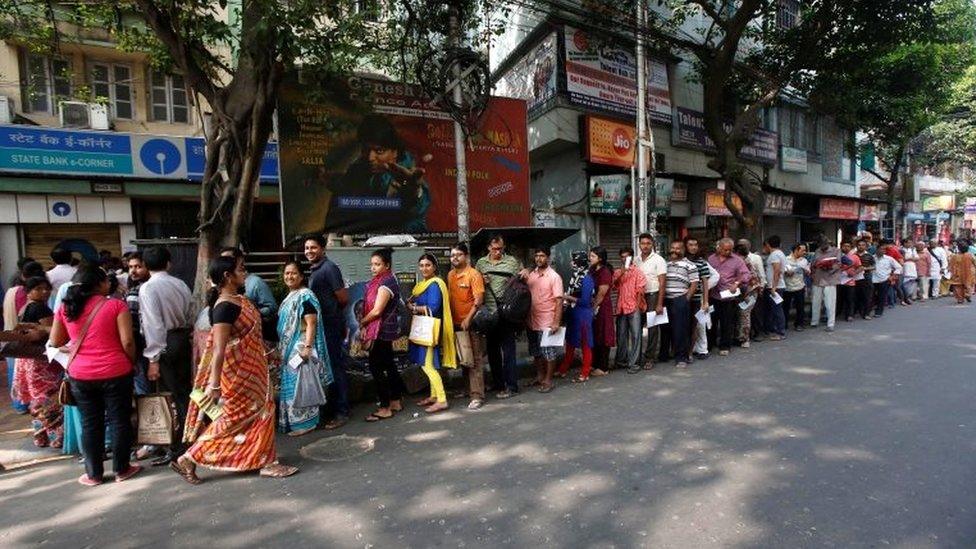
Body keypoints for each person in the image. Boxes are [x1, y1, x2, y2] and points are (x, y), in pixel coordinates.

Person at [172, 256, 297, 484]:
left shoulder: (240, 300)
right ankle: (190, 456)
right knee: (234, 418)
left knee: (262, 412)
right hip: (238, 374)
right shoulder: (224, 307)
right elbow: (218, 349)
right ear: (227, 276)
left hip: (254, 368)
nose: (245, 273)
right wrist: (215, 384)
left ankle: (265, 460)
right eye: (241, 270)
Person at [49, 266, 141, 486]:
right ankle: (122, 469)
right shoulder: (116, 305)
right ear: (100, 284)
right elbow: (127, 341)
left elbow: (55, 341)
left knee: (90, 423)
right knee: (120, 420)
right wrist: (130, 363)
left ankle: (94, 474)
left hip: (80, 374)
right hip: (116, 370)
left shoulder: (66, 307)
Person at [324, 113, 431, 233]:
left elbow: (418, 206)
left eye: (379, 151)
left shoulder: (407, 174)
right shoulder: (357, 169)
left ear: (395, 152)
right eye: (366, 149)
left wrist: (414, 192)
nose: (370, 157)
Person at [139, 246, 193, 466]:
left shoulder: (148, 288)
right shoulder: (180, 284)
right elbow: (190, 311)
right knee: (183, 393)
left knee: (167, 395)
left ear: (145, 266)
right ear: (168, 263)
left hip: (164, 344)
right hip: (181, 339)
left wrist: (153, 359)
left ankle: (176, 445)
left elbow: (154, 325)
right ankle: (185, 440)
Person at [276, 261, 333, 436]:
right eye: (287, 273)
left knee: (301, 384)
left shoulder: (305, 296)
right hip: (289, 348)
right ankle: (295, 422)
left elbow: (311, 322)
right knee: (291, 385)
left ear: (301, 276)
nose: (289, 276)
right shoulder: (289, 297)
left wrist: (307, 347)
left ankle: (306, 423)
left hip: (300, 346)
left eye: (293, 273)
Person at [304, 235, 350, 430]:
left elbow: (343, 298)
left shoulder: (329, 268)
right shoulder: (315, 270)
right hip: (321, 326)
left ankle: (342, 411)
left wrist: (331, 313)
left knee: (335, 367)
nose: (309, 251)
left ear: (322, 249)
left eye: (313, 247)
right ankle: (331, 408)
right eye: (306, 248)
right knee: (327, 368)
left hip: (331, 325)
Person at [14, 277, 62, 447]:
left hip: (28, 360)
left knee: (37, 398)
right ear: (28, 291)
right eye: (39, 289)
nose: (45, 292)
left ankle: (40, 436)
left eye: (46, 288)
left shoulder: (24, 307)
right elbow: (51, 333)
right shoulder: (40, 308)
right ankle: (55, 437)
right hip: (42, 360)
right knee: (49, 397)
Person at [359, 248, 405, 422]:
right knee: (389, 364)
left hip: (380, 331)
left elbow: (377, 310)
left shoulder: (385, 283)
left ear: (387, 265)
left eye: (377, 264)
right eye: (372, 264)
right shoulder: (385, 280)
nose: (373, 268)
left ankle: (385, 407)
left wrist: (363, 322)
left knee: (376, 367)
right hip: (385, 330)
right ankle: (395, 401)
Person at [475, 235, 523, 399]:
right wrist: (482, 280)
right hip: (489, 313)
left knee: (508, 350)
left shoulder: (512, 262)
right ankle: (498, 383)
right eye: (495, 248)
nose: (498, 252)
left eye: (501, 248)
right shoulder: (481, 263)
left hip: (506, 312)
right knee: (492, 351)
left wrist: (525, 273)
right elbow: (475, 284)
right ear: (489, 247)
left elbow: (521, 281)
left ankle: (512, 386)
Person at [408, 253, 456, 413]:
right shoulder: (423, 284)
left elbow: (433, 308)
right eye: (421, 265)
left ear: (434, 267)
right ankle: (434, 396)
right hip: (424, 328)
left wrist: (414, 308)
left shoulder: (435, 284)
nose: (424, 268)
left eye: (427, 265)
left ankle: (442, 399)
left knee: (428, 366)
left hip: (429, 329)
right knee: (426, 363)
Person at [447, 242, 486, 409]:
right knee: (464, 358)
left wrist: (468, 319)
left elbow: (479, 300)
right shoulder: (450, 275)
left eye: (458, 255)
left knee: (475, 360)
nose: (455, 258)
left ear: (466, 256)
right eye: (452, 255)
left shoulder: (473, 274)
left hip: (471, 323)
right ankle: (467, 390)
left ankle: (477, 396)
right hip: (456, 324)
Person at [4, 260, 45, 414]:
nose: (44, 292)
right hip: (24, 341)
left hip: (14, 337)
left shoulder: (10, 290)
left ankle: (20, 404)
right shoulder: (27, 296)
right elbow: (29, 319)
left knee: (15, 374)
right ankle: (24, 404)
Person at [524, 247, 564, 391]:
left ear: (548, 257)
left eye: (542, 256)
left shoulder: (554, 277)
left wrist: (556, 322)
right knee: (536, 351)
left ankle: (548, 380)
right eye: (536, 256)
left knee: (548, 352)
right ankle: (540, 376)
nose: (539, 259)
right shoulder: (531, 275)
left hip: (547, 320)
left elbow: (559, 301)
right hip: (531, 320)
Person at [220, 247, 278, 341]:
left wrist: (252, 313)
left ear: (240, 262)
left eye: (228, 259)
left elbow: (272, 307)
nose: (223, 263)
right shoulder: (222, 292)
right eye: (221, 260)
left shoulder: (255, 282)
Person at [707, 238, 751, 356]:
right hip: (712, 295)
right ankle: (709, 345)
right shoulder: (711, 259)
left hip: (728, 296)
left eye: (730, 250)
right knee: (711, 321)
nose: (728, 252)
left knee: (726, 322)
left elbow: (746, 275)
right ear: (719, 248)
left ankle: (725, 345)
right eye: (725, 250)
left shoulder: (737, 260)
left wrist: (736, 283)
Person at [559, 252, 595, 383]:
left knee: (585, 343)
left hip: (583, 315)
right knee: (570, 342)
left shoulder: (587, 278)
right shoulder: (575, 276)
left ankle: (585, 372)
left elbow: (585, 301)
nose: (572, 263)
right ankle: (563, 369)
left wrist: (568, 298)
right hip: (573, 313)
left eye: (574, 260)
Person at [663, 240, 700, 368]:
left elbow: (694, 283)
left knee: (681, 330)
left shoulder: (690, 265)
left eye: (677, 248)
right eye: (672, 248)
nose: (674, 250)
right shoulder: (666, 264)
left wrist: (686, 299)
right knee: (667, 329)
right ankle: (666, 354)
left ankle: (681, 358)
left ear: (683, 250)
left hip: (680, 299)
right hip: (666, 300)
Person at [613, 247, 646, 374]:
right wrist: (622, 272)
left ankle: (635, 363)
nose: (625, 259)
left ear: (631, 257)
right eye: (622, 256)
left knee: (636, 335)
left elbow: (640, 291)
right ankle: (621, 360)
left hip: (633, 307)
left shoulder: (638, 272)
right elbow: (613, 285)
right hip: (621, 307)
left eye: (627, 256)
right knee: (621, 336)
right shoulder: (618, 272)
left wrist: (637, 307)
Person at [123, 252, 152, 396]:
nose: (133, 271)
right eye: (130, 267)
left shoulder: (135, 292)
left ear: (148, 267)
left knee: (144, 390)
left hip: (142, 346)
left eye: (138, 266)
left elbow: (132, 325)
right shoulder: (178, 284)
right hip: (171, 342)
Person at [637, 233, 666, 370]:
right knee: (637, 326)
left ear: (652, 244)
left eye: (648, 243)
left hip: (653, 295)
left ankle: (650, 358)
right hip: (639, 297)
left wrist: (660, 303)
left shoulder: (658, 260)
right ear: (639, 244)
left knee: (652, 327)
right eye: (643, 243)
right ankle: (637, 356)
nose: (645, 246)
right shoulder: (636, 260)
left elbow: (662, 283)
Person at [588, 246, 615, 375]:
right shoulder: (592, 270)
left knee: (603, 335)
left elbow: (601, 293)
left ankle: (603, 367)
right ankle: (595, 364)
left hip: (602, 307)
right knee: (595, 335)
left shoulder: (605, 272)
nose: (590, 258)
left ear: (600, 258)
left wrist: (594, 308)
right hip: (593, 306)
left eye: (593, 256)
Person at [683, 237, 711, 360]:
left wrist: (705, 302)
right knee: (682, 326)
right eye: (690, 245)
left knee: (694, 326)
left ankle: (690, 352)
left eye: (695, 245)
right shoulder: (681, 260)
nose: (693, 247)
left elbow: (705, 283)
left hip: (696, 299)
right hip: (681, 298)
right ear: (685, 246)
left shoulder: (702, 262)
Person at [737, 239, 767, 341]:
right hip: (741, 291)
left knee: (752, 313)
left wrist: (762, 286)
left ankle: (752, 335)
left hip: (752, 290)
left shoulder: (754, 258)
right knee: (744, 313)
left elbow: (760, 273)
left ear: (749, 246)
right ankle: (744, 335)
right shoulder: (737, 259)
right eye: (740, 245)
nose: (742, 246)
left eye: (744, 245)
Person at [810, 238, 842, 332]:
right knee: (815, 301)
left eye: (824, 244)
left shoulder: (836, 251)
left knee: (830, 303)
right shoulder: (817, 251)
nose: (822, 246)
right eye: (821, 245)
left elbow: (838, 264)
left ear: (828, 243)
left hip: (830, 279)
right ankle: (814, 321)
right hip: (818, 278)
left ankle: (830, 323)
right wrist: (816, 266)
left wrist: (828, 266)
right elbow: (813, 264)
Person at [733, 243, 762, 348]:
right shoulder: (745, 261)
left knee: (744, 315)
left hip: (749, 292)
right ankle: (740, 337)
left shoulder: (743, 263)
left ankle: (745, 338)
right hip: (745, 292)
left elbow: (749, 280)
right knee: (741, 315)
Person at [763, 236, 788, 339]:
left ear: (768, 244)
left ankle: (780, 332)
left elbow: (776, 271)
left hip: (776, 287)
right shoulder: (780, 253)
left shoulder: (774, 255)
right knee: (774, 309)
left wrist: (773, 287)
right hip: (777, 285)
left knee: (777, 309)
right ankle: (773, 329)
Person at [783, 244, 810, 329]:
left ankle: (799, 324)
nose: (804, 252)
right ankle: (784, 324)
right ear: (795, 250)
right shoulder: (785, 259)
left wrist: (806, 271)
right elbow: (783, 271)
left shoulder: (804, 260)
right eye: (802, 250)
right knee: (785, 307)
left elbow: (807, 272)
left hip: (799, 286)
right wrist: (787, 272)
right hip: (787, 287)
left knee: (800, 307)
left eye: (805, 250)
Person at [872, 242, 902, 317]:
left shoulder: (889, 259)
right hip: (873, 280)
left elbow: (899, 267)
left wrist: (893, 276)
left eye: (884, 249)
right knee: (872, 296)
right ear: (877, 250)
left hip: (884, 280)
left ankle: (879, 311)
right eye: (881, 249)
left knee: (881, 296)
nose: (882, 251)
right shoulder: (872, 258)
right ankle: (870, 309)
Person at [837, 241, 863, 322]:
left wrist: (854, 273)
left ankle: (849, 315)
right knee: (838, 299)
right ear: (841, 246)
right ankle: (837, 314)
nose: (846, 248)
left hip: (850, 281)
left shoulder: (855, 257)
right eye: (844, 246)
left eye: (848, 246)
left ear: (851, 247)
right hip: (838, 281)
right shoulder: (837, 256)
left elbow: (860, 267)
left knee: (850, 299)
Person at [948, 239, 976, 304]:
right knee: (968, 285)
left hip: (958, 274)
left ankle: (960, 299)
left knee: (958, 286)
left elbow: (951, 265)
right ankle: (967, 294)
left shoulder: (954, 256)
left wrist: (951, 271)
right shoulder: (970, 255)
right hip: (969, 273)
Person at [855, 239, 876, 320]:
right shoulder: (854, 255)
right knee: (857, 295)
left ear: (866, 246)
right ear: (857, 246)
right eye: (859, 245)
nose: (861, 246)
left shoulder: (869, 256)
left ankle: (866, 313)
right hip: (856, 277)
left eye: (863, 245)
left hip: (866, 276)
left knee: (867, 295)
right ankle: (858, 311)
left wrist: (865, 268)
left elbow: (874, 266)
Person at [900, 238, 919, 305]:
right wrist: (911, 258)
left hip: (912, 268)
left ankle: (908, 296)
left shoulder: (913, 249)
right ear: (904, 243)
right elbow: (902, 259)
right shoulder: (901, 249)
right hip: (904, 268)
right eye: (909, 243)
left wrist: (910, 258)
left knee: (912, 283)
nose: (910, 244)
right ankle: (905, 297)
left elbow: (917, 258)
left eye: (911, 243)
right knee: (904, 284)